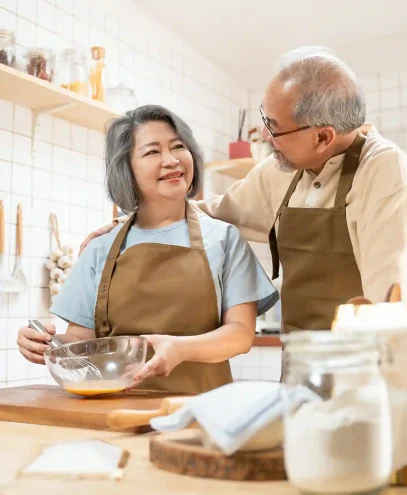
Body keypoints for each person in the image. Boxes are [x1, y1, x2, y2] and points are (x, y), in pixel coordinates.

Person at [80, 46, 407, 332]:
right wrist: (127, 224)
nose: (265, 136)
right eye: (266, 119)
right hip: (299, 357)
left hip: (366, 365)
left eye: (274, 128)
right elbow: (212, 213)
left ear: (322, 137)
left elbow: (389, 306)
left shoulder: (384, 173)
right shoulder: (279, 170)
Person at [17, 105, 278, 394]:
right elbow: (81, 339)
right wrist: (45, 344)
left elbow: (240, 334)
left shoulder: (224, 238)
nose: (171, 160)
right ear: (126, 168)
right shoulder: (100, 248)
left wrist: (181, 349)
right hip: (113, 411)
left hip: (200, 412)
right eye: (152, 152)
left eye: (178, 147)